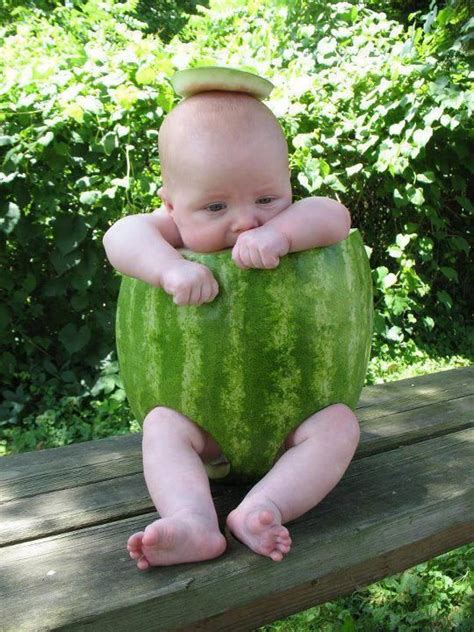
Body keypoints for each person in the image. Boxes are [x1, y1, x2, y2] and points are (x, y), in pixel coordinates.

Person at [103, 90, 360, 569]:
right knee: (161, 424)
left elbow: (335, 215)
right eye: (215, 208)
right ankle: (192, 518)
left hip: (293, 425)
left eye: (266, 198)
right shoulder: (170, 231)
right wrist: (167, 269)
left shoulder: (290, 222)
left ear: (286, 182)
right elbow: (118, 237)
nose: (246, 221)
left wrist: (280, 233)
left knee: (340, 424)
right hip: (202, 433)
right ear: (172, 205)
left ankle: (266, 506)